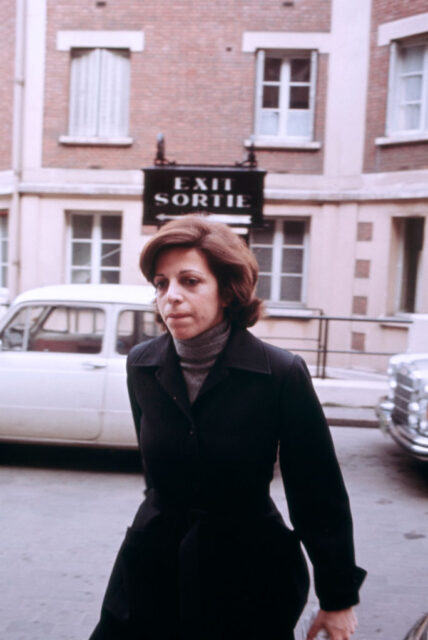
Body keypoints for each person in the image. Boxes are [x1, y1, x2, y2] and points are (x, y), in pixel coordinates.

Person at [89, 214, 366, 640]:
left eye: (190, 281)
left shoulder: (279, 373)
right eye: (161, 284)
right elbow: (157, 471)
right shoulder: (142, 365)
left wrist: (338, 598)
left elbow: (317, 491)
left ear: (227, 291)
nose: (171, 298)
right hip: (151, 568)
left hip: (248, 578)